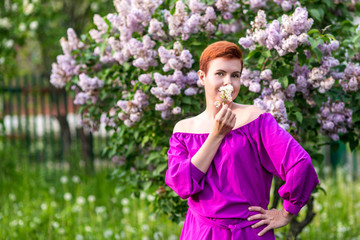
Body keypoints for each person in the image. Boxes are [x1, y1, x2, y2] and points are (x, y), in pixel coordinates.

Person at [165, 41, 319, 239]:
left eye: (235, 75)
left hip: (248, 232)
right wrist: (217, 135)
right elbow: (182, 184)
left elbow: (300, 163)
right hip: (201, 232)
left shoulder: (255, 120)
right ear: (202, 77)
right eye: (220, 73)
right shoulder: (184, 130)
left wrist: (287, 212)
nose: (228, 82)